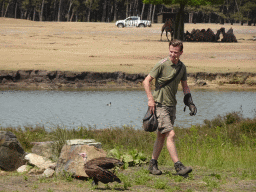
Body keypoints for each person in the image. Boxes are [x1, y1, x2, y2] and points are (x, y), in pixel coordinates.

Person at [143, 39, 197, 176]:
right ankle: (179, 167)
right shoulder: (161, 64)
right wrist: (150, 99)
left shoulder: (182, 67)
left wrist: (190, 102)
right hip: (159, 105)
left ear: (181, 52)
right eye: (171, 51)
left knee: (161, 136)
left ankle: (152, 165)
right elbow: (146, 81)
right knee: (171, 134)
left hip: (172, 105)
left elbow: (185, 85)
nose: (173, 54)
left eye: (176, 52)